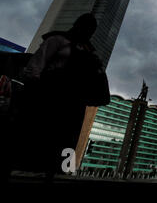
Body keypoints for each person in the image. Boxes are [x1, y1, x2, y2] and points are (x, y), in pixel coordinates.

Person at [13, 13, 107, 179]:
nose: (88, 31)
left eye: (92, 29)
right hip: (50, 97)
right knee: (40, 135)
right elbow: (34, 67)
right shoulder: (57, 40)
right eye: (86, 26)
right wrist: (35, 91)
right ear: (77, 24)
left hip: (74, 104)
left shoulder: (90, 53)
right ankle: (27, 170)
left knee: (67, 139)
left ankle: (57, 172)